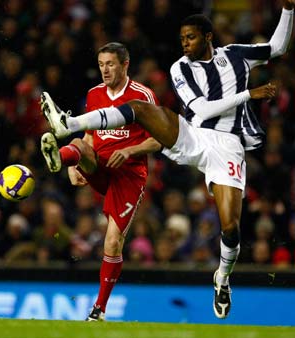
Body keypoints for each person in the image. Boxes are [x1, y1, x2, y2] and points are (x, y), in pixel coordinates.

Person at [40, 1, 294, 319]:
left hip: (227, 146)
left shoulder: (236, 55)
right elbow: (200, 110)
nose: (184, 44)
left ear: (208, 36)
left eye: (190, 37)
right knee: (142, 110)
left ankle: (223, 278)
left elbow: (279, 46)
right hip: (192, 134)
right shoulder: (179, 68)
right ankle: (70, 123)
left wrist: (287, 9)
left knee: (231, 228)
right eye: (182, 38)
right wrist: (248, 95)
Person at [40, 42, 161, 321]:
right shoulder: (94, 94)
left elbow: (160, 139)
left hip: (128, 174)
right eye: (101, 65)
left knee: (112, 243)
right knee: (77, 143)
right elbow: (90, 137)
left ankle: (99, 309)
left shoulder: (143, 96)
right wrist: (74, 166)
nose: (105, 70)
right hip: (99, 163)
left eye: (110, 64)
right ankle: (61, 157)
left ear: (125, 64)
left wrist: (130, 150)